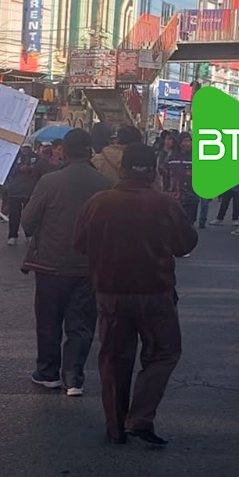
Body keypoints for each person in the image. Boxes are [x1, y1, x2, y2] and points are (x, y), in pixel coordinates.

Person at [75, 143, 197, 446]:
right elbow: (185, 244)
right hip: (155, 291)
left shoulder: (98, 202)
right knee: (164, 353)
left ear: (123, 170)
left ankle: (116, 427)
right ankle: (140, 417)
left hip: (110, 291)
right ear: (154, 171)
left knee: (114, 358)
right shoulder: (165, 204)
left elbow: (80, 243)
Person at [21, 129, 109, 396]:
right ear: (90, 151)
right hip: (89, 265)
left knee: (49, 321)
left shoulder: (49, 181)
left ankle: (48, 373)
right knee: (80, 324)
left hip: (51, 264)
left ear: (65, 152)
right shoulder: (104, 184)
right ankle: (74, 378)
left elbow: (28, 221)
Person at [4, 144, 41, 246]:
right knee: (14, 214)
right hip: (15, 191)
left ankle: (29, 234)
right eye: (24, 147)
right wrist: (19, 169)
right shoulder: (13, 156)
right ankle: (12, 236)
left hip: (30, 190)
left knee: (29, 214)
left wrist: (32, 169)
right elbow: (8, 170)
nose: (26, 149)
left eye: (28, 147)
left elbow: (40, 169)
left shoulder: (36, 157)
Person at [166, 133, 199, 225]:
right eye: (184, 141)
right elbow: (166, 176)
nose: (187, 143)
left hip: (192, 196)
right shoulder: (172, 158)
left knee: (189, 223)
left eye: (189, 141)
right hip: (175, 197)